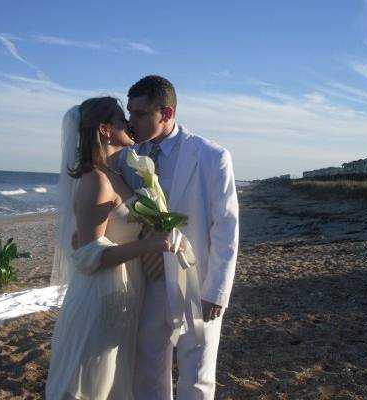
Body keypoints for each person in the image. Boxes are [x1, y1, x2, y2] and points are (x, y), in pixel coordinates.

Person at [45, 97, 176, 400]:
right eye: (120, 118)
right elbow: (87, 256)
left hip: (121, 295)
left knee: (112, 382)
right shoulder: (96, 181)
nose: (129, 123)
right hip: (98, 298)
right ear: (104, 130)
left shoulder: (117, 173)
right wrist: (148, 246)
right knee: (91, 383)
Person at [121, 75, 239, 399]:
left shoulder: (212, 156)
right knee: (148, 367)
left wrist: (217, 290)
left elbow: (226, 228)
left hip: (196, 283)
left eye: (141, 113)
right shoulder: (129, 158)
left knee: (198, 374)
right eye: (130, 113)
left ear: (167, 113)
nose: (132, 121)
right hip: (148, 279)